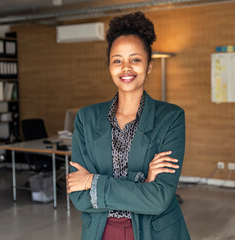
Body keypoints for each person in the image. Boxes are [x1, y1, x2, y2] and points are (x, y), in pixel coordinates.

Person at [67, 11, 190, 240]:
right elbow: (79, 197)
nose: (126, 67)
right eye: (117, 60)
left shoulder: (171, 118)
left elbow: (159, 199)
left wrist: (92, 182)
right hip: (101, 232)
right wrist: (142, 183)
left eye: (135, 59)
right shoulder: (86, 118)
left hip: (156, 231)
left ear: (149, 65)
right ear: (109, 66)